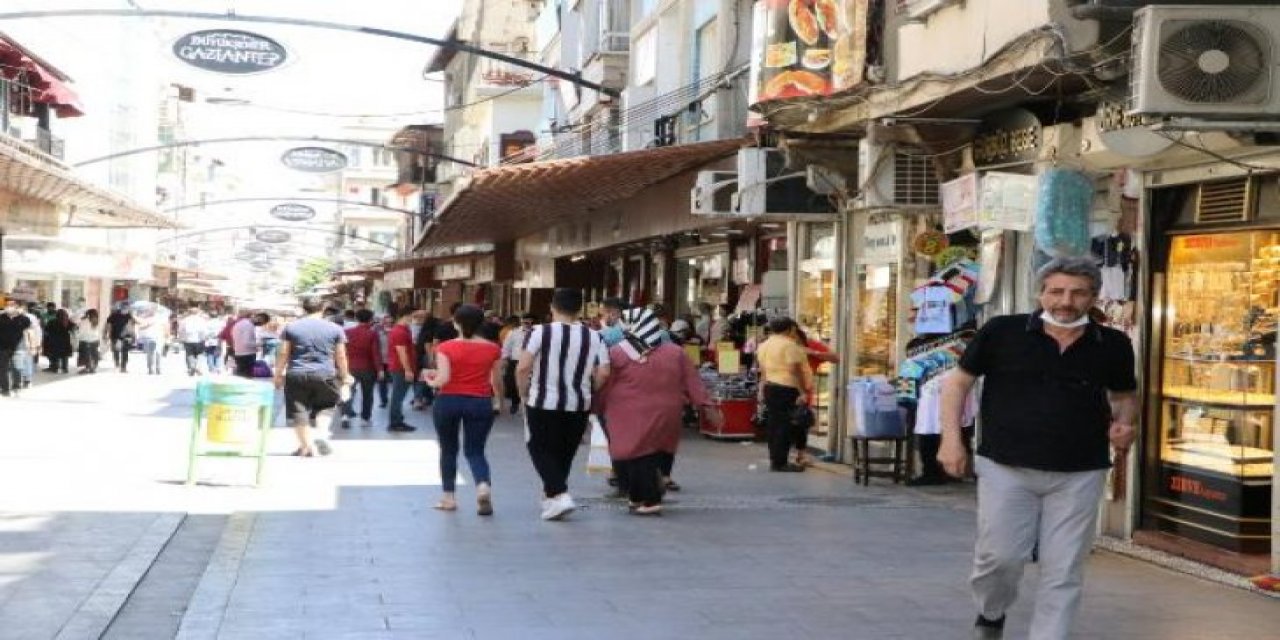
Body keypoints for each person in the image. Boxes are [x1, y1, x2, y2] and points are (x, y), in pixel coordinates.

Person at [937, 257, 1137, 640]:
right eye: (1057, 291)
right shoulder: (1002, 331)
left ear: (1093, 297)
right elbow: (957, 384)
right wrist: (951, 440)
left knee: (1063, 569)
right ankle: (991, 612)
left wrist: (1125, 424)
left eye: (1078, 293)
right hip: (1005, 467)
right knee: (1000, 558)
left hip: (1080, 471)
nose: (1066, 301)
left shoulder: (1112, 343)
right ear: (1040, 293)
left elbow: (1125, 396)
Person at [596, 308, 720, 515]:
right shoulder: (675, 351)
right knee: (649, 452)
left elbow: (606, 383)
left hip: (627, 412)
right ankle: (637, 497)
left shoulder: (617, 352)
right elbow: (692, 381)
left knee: (634, 454)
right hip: (667, 410)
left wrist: (596, 405)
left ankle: (651, 499)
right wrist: (706, 405)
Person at [516, 288, 610, 521]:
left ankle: (560, 493)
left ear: (552, 307)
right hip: (579, 402)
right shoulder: (595, 336)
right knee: (564, 452)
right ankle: (552, 498)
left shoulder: (539, 332)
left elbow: (523, 367)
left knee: (538, 446)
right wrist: (591, 389)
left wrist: (523, 393)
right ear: (579, 310)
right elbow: (604, 372)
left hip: (542, 400)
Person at [424, 304, 504, 515]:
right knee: (475, 451)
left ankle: (448, 498)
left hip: (448, 401)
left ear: (455, 322)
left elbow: (443, 379)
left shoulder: (445, 347)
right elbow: (496, 380)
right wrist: (499, 402)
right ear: (482, 324)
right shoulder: (493, 348)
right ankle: (482, 486)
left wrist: (429, 380)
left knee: (448, 450)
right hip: (479, 402)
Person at [274, 297, 351, 457]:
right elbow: (341, 355)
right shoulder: (335, 328)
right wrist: (345, 376)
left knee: (298, 410)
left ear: (304, 308)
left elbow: (283, 352)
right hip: (325, 373)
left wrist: (278, 374)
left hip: (297, 373)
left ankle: (306, 447)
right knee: (327, 406)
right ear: (323, 308)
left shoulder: (291, 327)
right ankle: (321, 435)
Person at [755, 317, 812, 473]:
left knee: (774, 425)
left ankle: (775, 459)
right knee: (784, 426)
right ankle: (780, 462)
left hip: (771, 387)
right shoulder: (789, 345)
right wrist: (802, 391)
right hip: (787, 388)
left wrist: (761, 389)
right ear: (790, 329)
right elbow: (795, 370)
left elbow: (763, 371)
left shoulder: (764, 345)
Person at [793, 329, 839, 467]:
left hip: (804, 390)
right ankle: (787, 453)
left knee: (801, 422)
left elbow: (835, 358)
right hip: (785, 387)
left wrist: (813, 353)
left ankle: (800, 454)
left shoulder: (811, 345)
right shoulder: (784, 346)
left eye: (796, 339)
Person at [341, 309, 383, 428]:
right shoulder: (372, 334)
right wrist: (380, 369)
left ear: (356, 319)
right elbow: (376, 353)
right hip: (368, 368)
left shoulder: (347, 332)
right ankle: (365, 418)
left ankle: (345, 415)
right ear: (370, 320)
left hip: (350, 367)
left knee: (348, 392)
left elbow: (342, 351)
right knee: (367, 394)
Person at [385, 308, 418, 432]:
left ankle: (397, 420)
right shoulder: (400, 332)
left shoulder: (404, 330)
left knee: (398, 396)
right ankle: (395, 422)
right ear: (406, 315)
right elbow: (402, 353)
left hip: (400, 367)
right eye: (414, 316)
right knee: (398, 396)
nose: (415, 319)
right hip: (400, 368)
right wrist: (408, 370)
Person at [499, 314, 533, 415]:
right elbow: (506, 346)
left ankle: (529, 404)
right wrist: (505, 358)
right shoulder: (513, 333)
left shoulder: (537, 333)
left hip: (532, 361)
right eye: (525, 322)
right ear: (521, 322)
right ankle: (515, 402)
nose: (528, 324)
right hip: (516, 360)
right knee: (513, 383)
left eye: (530, 322)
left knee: (530, 383)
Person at [0, 300, 34, 397]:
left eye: (11, 305)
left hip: (18, 347)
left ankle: (16, 387)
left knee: (17, 368)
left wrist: (32, 346)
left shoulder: (23, 319)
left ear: (16, 307)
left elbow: (30, 329)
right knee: (3, 368)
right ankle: (4, 389)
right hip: (3, 347)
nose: (9, 307)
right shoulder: (2, 317)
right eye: (7, 305)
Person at [230, 311, 263, 378]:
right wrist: (260, 344)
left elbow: (233, 337)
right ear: (253, 316)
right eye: (259, 319)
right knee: (247, 377)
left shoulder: (238, 324)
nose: (260, 323)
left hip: (238, 352)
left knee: (240, 376)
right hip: (248, 354)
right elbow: (246, 342)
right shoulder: (249, 325)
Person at [42, 309, 75, 374]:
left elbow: (46, 331)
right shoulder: (68, 322)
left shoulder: (52, 322)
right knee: (65, 355)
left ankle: (54, 367)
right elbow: (74, 329)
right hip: (65, 341)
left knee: (54, 355)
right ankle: (65, 368)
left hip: (54, 341)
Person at [178, 307, 208, 376]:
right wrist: (205, 338)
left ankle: (192, 367)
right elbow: (204, 330)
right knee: (200, 354)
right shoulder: (201, 320)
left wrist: (181, 338)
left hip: (188, 339)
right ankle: (197, 366)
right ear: (197, 312)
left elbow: (180, 330)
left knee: (190, 354)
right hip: (199, 339)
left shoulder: (184, 320)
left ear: (189, 312)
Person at [105, 304, 135, 372]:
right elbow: (108, 324)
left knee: (125, 352)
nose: (126, 310)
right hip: (115, 336)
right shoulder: (114, 315)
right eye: (125, 308)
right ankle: (117, 363)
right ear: (121, 308)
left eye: (127, 308)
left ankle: (123, 367)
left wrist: (133, 335)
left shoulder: (129, 315)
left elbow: (132, 325)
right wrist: (108, 334)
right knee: (116, 351)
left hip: (126, 337)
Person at [75, 309, 103, 374]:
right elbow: (100, 332)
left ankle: (86, 368)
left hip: (85, 341)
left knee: (84, 355)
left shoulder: (84, 321)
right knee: (93, 354)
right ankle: (92, 368)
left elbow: (80, 332)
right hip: (95, 341)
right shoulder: (98, 321)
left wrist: (77, 337)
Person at [375, 314, 394, 408]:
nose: (388, 324)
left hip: (393, 361)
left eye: (390, 323)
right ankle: (384, 400)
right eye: (386, 322)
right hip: (381, 361)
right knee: (382, 382)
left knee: (395, 382)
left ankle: (396, 402)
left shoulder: (395, 332)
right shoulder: (377, 333)